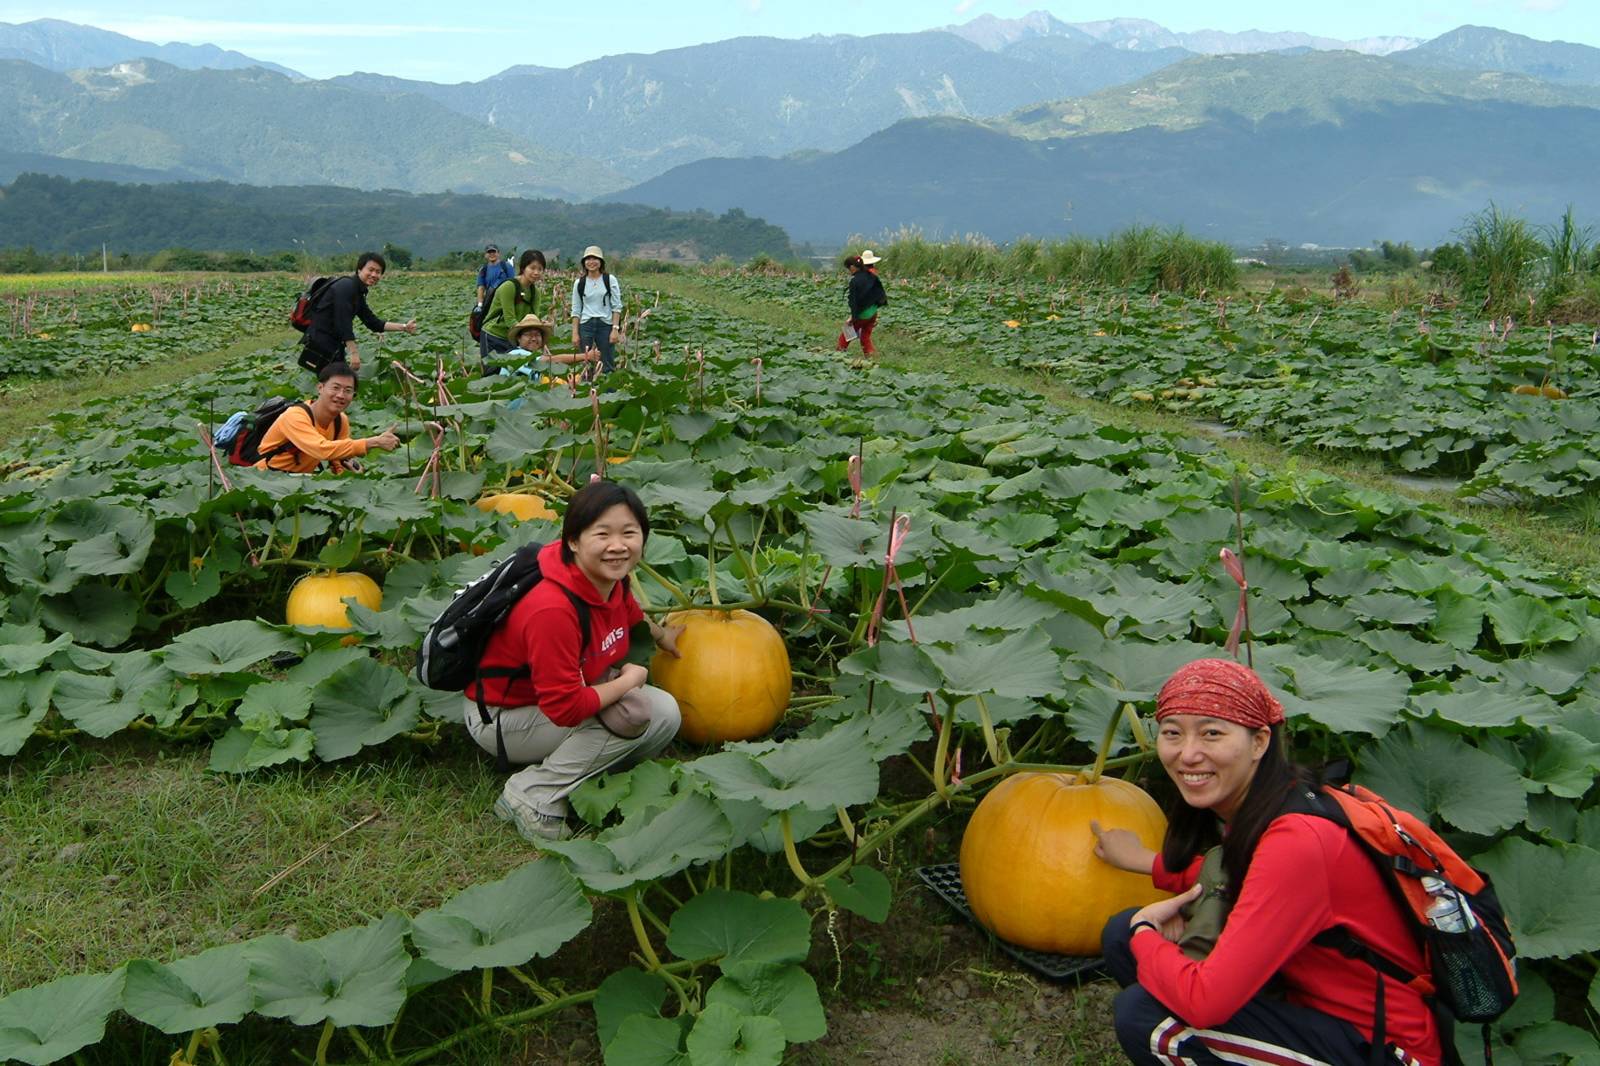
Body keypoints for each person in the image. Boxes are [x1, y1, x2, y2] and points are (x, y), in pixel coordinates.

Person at [1091, 658, 1443, 1066]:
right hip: (1313, 1003)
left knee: (1147, 1017)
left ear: (1259, 741)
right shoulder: (1282, 800)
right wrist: (1148, 865)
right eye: (1173, 734)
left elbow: (1205, 1003)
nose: (1188, 754)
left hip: (1385, 1048)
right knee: (1122, 937)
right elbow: (1243, 877)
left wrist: (1144, 933)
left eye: (1211, 734)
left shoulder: (1297, 843)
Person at [465, 481, 684, 841]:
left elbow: (628, 612)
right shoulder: (552, 608)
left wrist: (663, 636)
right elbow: (565, 708)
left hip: (559, 695)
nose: (618, 545)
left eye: (629, 533)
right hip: (504, 717)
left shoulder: (608, 578)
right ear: (573, 540)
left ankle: (587, 772)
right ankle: (530, 793)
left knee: (666, 714)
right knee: (632, 713)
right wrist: (629, 679)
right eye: (603, 534)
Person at [255, 361, 401, 474]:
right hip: (268, 480)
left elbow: (338, 459)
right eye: (335, 388)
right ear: (320, 388)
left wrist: (350, 475)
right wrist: (373, 442)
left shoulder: (340, 420)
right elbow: (322, 450)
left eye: (348, 390)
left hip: (301, 482)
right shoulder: (295, 416)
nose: (340, 395)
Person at [300, 252, 418, 374]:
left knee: (334, 384)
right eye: (371, 270)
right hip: (321, 344)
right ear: (359, 269)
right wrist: (354, 353)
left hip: (333, 345)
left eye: (378, 272)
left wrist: (404, 327)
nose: (374, 275)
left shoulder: (357, 292)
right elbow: (343, 322)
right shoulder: (346, 286)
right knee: (335, 383)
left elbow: (373, 323)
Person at [481, 250, 548, 367]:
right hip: (494, 335)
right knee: (493, 371)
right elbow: (510, 320)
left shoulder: (535, 292)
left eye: (540, 269)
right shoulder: (509, 287)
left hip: (514, 337)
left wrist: (541, 326)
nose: (536, 272)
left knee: (515, 373)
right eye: (532, 268)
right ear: (523, 268)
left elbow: (533, 319)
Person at [490, 313, 600, 379]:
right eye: (528, 335)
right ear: (519, 338)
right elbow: (549, 361)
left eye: (537, 335)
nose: (533, 338)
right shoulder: (515, 354)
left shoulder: (533, 354)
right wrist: (585, 356)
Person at [569, 245, 623, 373]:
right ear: (584, 263)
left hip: (605, 324)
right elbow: (576, 310)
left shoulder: (609, 280)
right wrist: (575, 333)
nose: (591, 262)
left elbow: (616, 306)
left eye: (595, 259)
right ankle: (587, 390)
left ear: (601, 262)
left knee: (607, 363)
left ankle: (608, 392)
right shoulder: (579, 283)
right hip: (586, 325)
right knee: (586, 362)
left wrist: (615, 329)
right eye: (588, 259)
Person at [836, 250, 889, 357]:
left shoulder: (855, 281)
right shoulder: (872, 276)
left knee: (846, 335)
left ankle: (837, 356)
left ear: (852, 267)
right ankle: (872, 357)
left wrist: (852, 318)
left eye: (848, 269)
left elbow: (854, 301)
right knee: (865, 337)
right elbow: (879, 293)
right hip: (873, 313)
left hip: (862, 315)